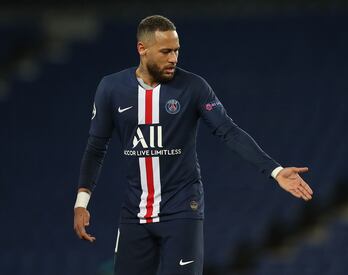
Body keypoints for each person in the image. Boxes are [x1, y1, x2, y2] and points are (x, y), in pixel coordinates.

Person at [73, 15, 313, 275]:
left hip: (182, 210)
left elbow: (228, 131)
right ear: (142, 49)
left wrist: (275, 171)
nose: (173, 58)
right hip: (134, 213)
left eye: (176, 50)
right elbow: (96, 148)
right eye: (166, 51)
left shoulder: (193, 87)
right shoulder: (111, 88)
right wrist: (81, 202)